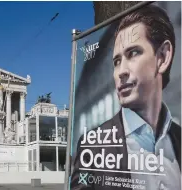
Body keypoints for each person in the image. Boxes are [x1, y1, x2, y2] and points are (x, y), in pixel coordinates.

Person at [71, 4, 181, 190]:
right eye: (116, 61)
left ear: (162, 57)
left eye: (133, 53)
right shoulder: (93, 143)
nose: (120, 72)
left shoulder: (179, 138)